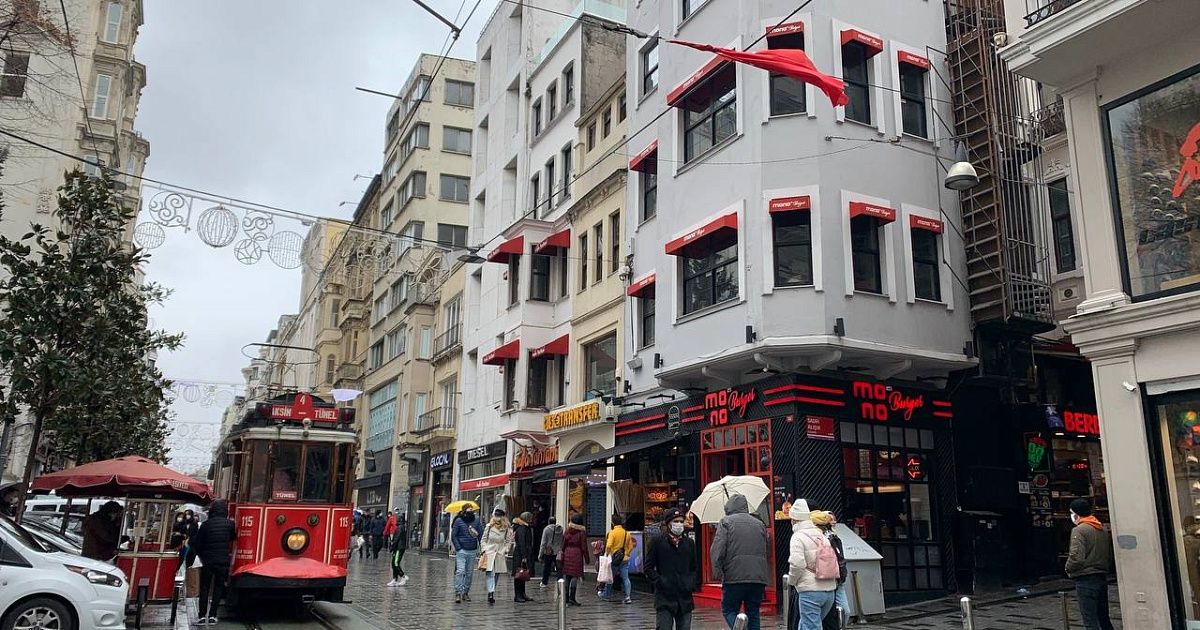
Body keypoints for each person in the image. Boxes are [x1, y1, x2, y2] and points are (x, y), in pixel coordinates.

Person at [711, 494, 770, 630]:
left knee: (729, 610)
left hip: (734, 576)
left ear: (728, 507)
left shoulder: (726, 522)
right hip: (758, 577)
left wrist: (717, 571)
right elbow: (766, 548)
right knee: (753, 613)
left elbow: (718, 549)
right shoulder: (759, 524)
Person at [644, 508, 699, 630]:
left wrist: (690, 582)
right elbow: (648, 567)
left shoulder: (689, 543)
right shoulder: (658, 542)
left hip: (684, 598)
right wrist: (660, 581)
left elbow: (694, 567)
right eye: (676, 521)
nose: (679, 524)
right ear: (668, 523)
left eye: (681, 521)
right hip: (665, 598)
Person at [1065, 498, 1115, 630]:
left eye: (1072, 512)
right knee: (1103, 618)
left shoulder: (1079, 530)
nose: (1071, 516)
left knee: (1090, 620)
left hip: (1085, 578)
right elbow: (1108, 554)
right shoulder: (1102, 529)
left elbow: (1076, 557)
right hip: (1101, 576)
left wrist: (1067, 568)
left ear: (1077, 513)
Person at [787, 501, 837, 630]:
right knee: (808, 625)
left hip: (810, 591)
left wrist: (792, 581)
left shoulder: (798, 537)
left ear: (795, 519)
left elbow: (797, 563)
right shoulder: (821, 535)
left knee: (810, 626)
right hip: (829, 590)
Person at [189, 500, 236, 625]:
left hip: (207, 561)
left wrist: (202, 556)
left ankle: (201, 616)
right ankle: (213, 615)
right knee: (218, 587)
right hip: (222, 561)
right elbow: (232, 538)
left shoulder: (205, 525)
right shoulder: (230, 524)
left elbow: (198, 543)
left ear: (212, 511)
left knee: (204, 587)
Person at [810, 510, 848, 630]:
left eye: (834, 519)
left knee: (845, 611)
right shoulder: (822, 539)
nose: (833, 522)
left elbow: (841, 558)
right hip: (826, 581)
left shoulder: (835, 538)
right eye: (830, 519)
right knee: (822, 617)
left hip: (838, 581)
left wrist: (842, 574)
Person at [480, 508, 514, 605]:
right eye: (496, 516)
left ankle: (492, 590)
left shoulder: (506, 528)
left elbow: (508, 541)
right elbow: (483, 539)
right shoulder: (489, 526)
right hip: (490, 552)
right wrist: (484, 549)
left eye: (499, 516)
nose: (497, 518)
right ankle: (491, 592)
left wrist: (506, 550)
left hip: (499, 552)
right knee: (490, 573)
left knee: (497, 574)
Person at [601, 513, 635, 604]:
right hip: (624, 559)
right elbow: (631, 546)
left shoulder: (612, 533)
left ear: (613, 523)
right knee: (626, 578)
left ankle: (606, 595)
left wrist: (607, 554)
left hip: (614, 559)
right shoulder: (626, 533)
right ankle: (628, 597)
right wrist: (626, 554)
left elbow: (609, 545)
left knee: (610, 577)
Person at [451, 506, 482, 603]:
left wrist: (482, 548)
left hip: (472, 550)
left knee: (469, 573)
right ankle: (458, 592)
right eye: (468, 509)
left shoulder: (476, 520)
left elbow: (480, 534)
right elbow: (454, 535)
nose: (470, 511)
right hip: (461, 550)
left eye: (471, 509)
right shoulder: (458, 521)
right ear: (464, 511)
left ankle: (465, 592)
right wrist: (458, 548)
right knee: (460, 571)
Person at [560, 513, 591, 607]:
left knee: (567, 576)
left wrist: (563, 552)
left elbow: (563, 543)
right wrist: (587, 558)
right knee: (574, 576)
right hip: (577, 554)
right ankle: (572, 598)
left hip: (567, 553)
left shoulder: (567, 531)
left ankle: (566, 598)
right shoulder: (581, 532)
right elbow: (584, 547)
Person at [511, 511, 536, 603]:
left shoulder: (525, 527)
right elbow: (522, 543)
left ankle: (522, 593)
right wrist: (524, 556)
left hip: (523, 554)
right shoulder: (522, 528)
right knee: (519, 574)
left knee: (523, 574)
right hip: (520, 555)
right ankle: (518, 595)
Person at [539, 516, 564, 589]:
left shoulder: (546, 529)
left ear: (549, 522)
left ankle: (544, 582)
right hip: (558, 551)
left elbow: (543, 543)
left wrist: (540, 555)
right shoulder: (561, 529)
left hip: (549, 551)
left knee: (547, 567)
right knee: (559, 567)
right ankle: (560, 581)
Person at [388, 515, 409, 587]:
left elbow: (396, 538)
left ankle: (403, 576)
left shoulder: (400, 528)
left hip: (399, 548)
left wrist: (392, 547)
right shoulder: (400, 527)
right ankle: (395, 579)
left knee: (396, 563)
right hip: (397, 548)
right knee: (393, 563)